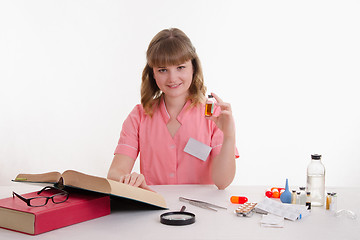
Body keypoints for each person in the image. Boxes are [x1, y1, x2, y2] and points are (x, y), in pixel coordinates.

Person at [107, 28, 238, 190]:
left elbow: (222, 182)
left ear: (193, 68)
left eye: (180, 67)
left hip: (200, 211)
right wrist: (127, 179)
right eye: (162, 70)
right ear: (153, 74)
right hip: (154, 208)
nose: (172, 78)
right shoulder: (139, 116)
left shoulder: (213, 114)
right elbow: (114, 173)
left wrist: (229, 136)